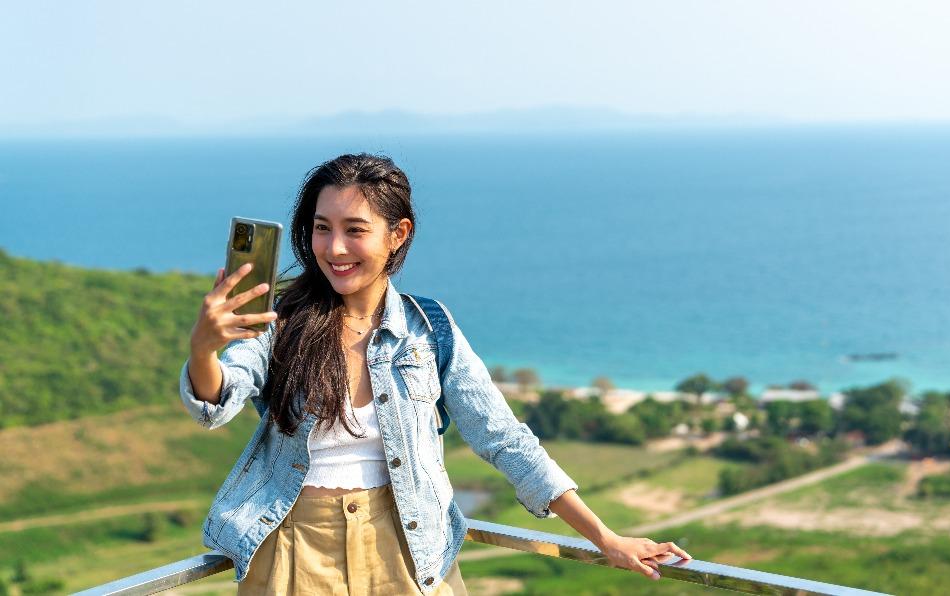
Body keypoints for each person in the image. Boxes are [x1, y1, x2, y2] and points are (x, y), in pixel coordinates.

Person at [179, 153, 692, 594]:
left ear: (398, 234)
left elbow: (505, 440)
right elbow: (219, 399)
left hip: (407, 547)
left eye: (355, 230)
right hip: (293, 549)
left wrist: (605, 537)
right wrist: (205, 349)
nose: (333, 248)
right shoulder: (280, 323)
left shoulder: (431, 330)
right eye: (322, 227)